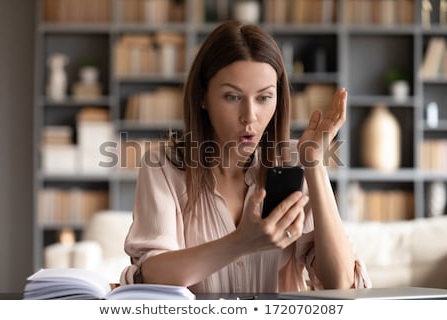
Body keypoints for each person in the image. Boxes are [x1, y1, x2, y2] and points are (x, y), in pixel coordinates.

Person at [120, 20, 371, 293]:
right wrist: (242, 241)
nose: (249, 117)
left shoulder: (294, 164)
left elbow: (341, 284)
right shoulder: (164, 168)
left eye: (264, 98)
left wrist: (314, 163)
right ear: (203, 96)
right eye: (232, 97)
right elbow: (151, 274)